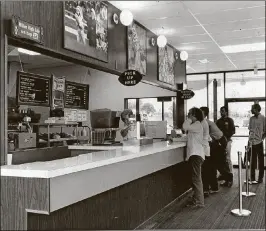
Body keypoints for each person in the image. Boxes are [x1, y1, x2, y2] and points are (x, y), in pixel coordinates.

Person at [200, 107, 233, 188]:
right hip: (217, 141)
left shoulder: (205, 122)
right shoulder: (209, 122)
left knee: (219, 163)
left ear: (205, 114)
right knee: (215, 163)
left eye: (201, 113)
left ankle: (228, 177)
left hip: (220, 141)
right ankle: (220, 180)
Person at [183, 107, 205, 208]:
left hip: (196, 155)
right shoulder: (195, 126)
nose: (188, 115)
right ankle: (196, 200)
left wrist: (189, 119)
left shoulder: (197, 125)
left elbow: (184, 126)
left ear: (194, 115)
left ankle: (199, 202)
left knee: (196, 179)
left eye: (189, 114)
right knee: (195, 178)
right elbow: (188, 137)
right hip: (195, 154)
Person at [216, 106, 235, 180]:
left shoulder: (230, 120)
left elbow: (233, 131)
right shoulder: (218, 121)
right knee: (221, 158)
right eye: (220, 111)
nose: (221, 112)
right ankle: (223, 174)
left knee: (228, 158)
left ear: (226, 112)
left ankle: (231, 174)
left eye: (223, 111)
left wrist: (226, 138)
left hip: (227, 141)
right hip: (220, 142)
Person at [248, 103, 265, 183]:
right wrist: (249, 142)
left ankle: (260, 178)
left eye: (252, 109)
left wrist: (262, 138)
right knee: (252, 160)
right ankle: (252, 178)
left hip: (259, 142)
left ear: (256, 109)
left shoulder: (263, 118)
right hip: (252, 142)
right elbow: (250, 131)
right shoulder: (251, 119)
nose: (251, 110)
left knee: (261, 160)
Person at [200, 112, 211, 197]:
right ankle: (206, 190)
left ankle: (205, 190)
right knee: (205, 171)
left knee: (204, 172)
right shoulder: (203, 122)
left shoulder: (202, 123)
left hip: (203, 150)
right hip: (205, 150)